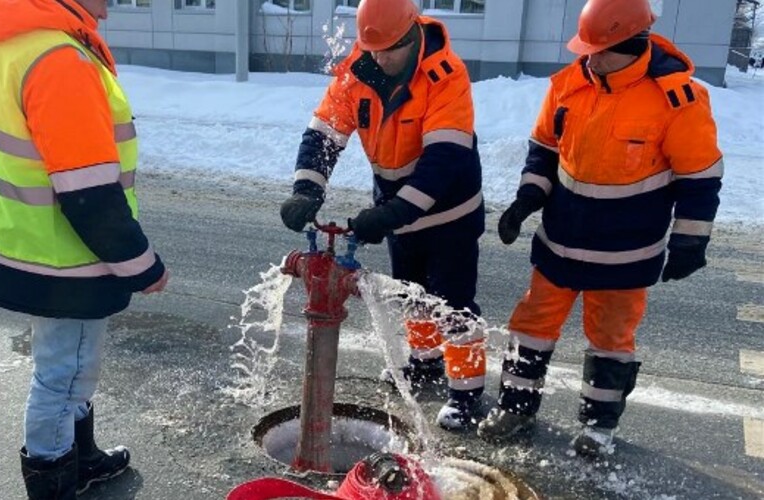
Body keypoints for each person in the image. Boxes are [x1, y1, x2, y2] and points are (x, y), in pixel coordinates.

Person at [477, 0, 723, 457]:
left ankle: (597, 429)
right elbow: (543, 151)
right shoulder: (569, 85)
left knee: (611, 342)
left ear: (629, 43)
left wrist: (691, 239)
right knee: (530, 326)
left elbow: (700, 178)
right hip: (558, 244)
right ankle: (516, 406)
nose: (588, 58)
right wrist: (526, 200)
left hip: (626, 257)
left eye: (598, 50)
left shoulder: (677, 98)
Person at [0, 0, 168, 497]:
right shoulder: (57, 58)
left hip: (17, 240)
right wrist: (141, 265)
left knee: (69, 364)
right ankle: (52, 482)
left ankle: (80, 457)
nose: (110, 7)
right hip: (65, 256)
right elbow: (88, 192)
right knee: (63, 374)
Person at [279, 0, 486, 430]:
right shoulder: (358, 71)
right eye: (373, 49)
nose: (381, 58)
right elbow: (324, 133)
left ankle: (465, 392)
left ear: (411, 35)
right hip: (398, 211)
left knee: (453, 304)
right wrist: (306, 189)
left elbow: (444, 161)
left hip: (450, 214)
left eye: (390, 49)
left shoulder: (446, 76)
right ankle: (425, 364)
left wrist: (393, 212)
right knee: (411, 294)